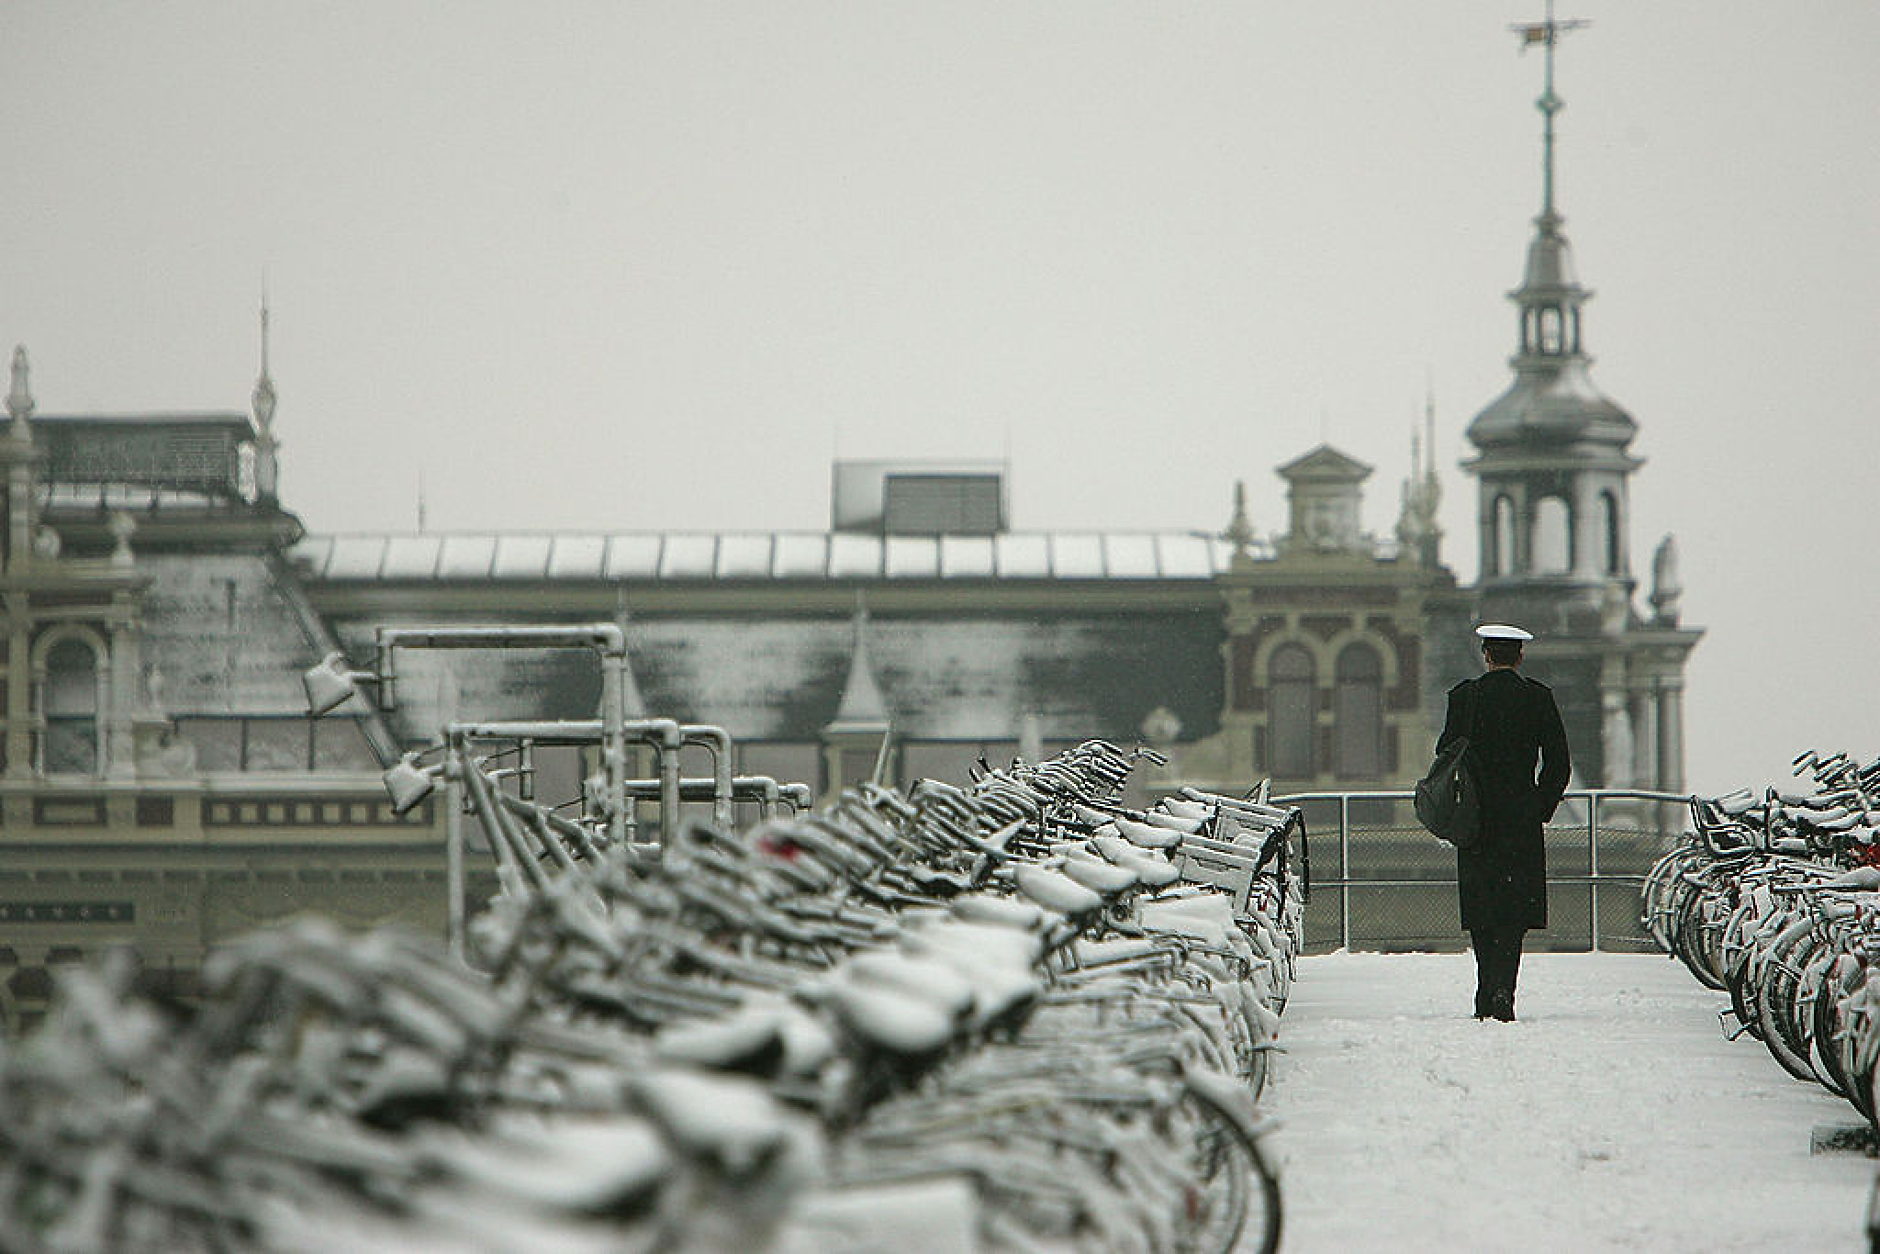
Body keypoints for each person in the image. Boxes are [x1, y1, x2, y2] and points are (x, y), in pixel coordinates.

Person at [1436, 623, 1570, 1022]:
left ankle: (1484, 988)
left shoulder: (1465, 698)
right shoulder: (1537, 698)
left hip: (1476, 820)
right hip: (1520, 819)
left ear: (1486, 655)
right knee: (1513, 910)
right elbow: (1559, 763)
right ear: (1520, 656)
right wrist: (1539, 805)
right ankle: (1503, 990)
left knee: (1482, 906)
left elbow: (1445, 752)